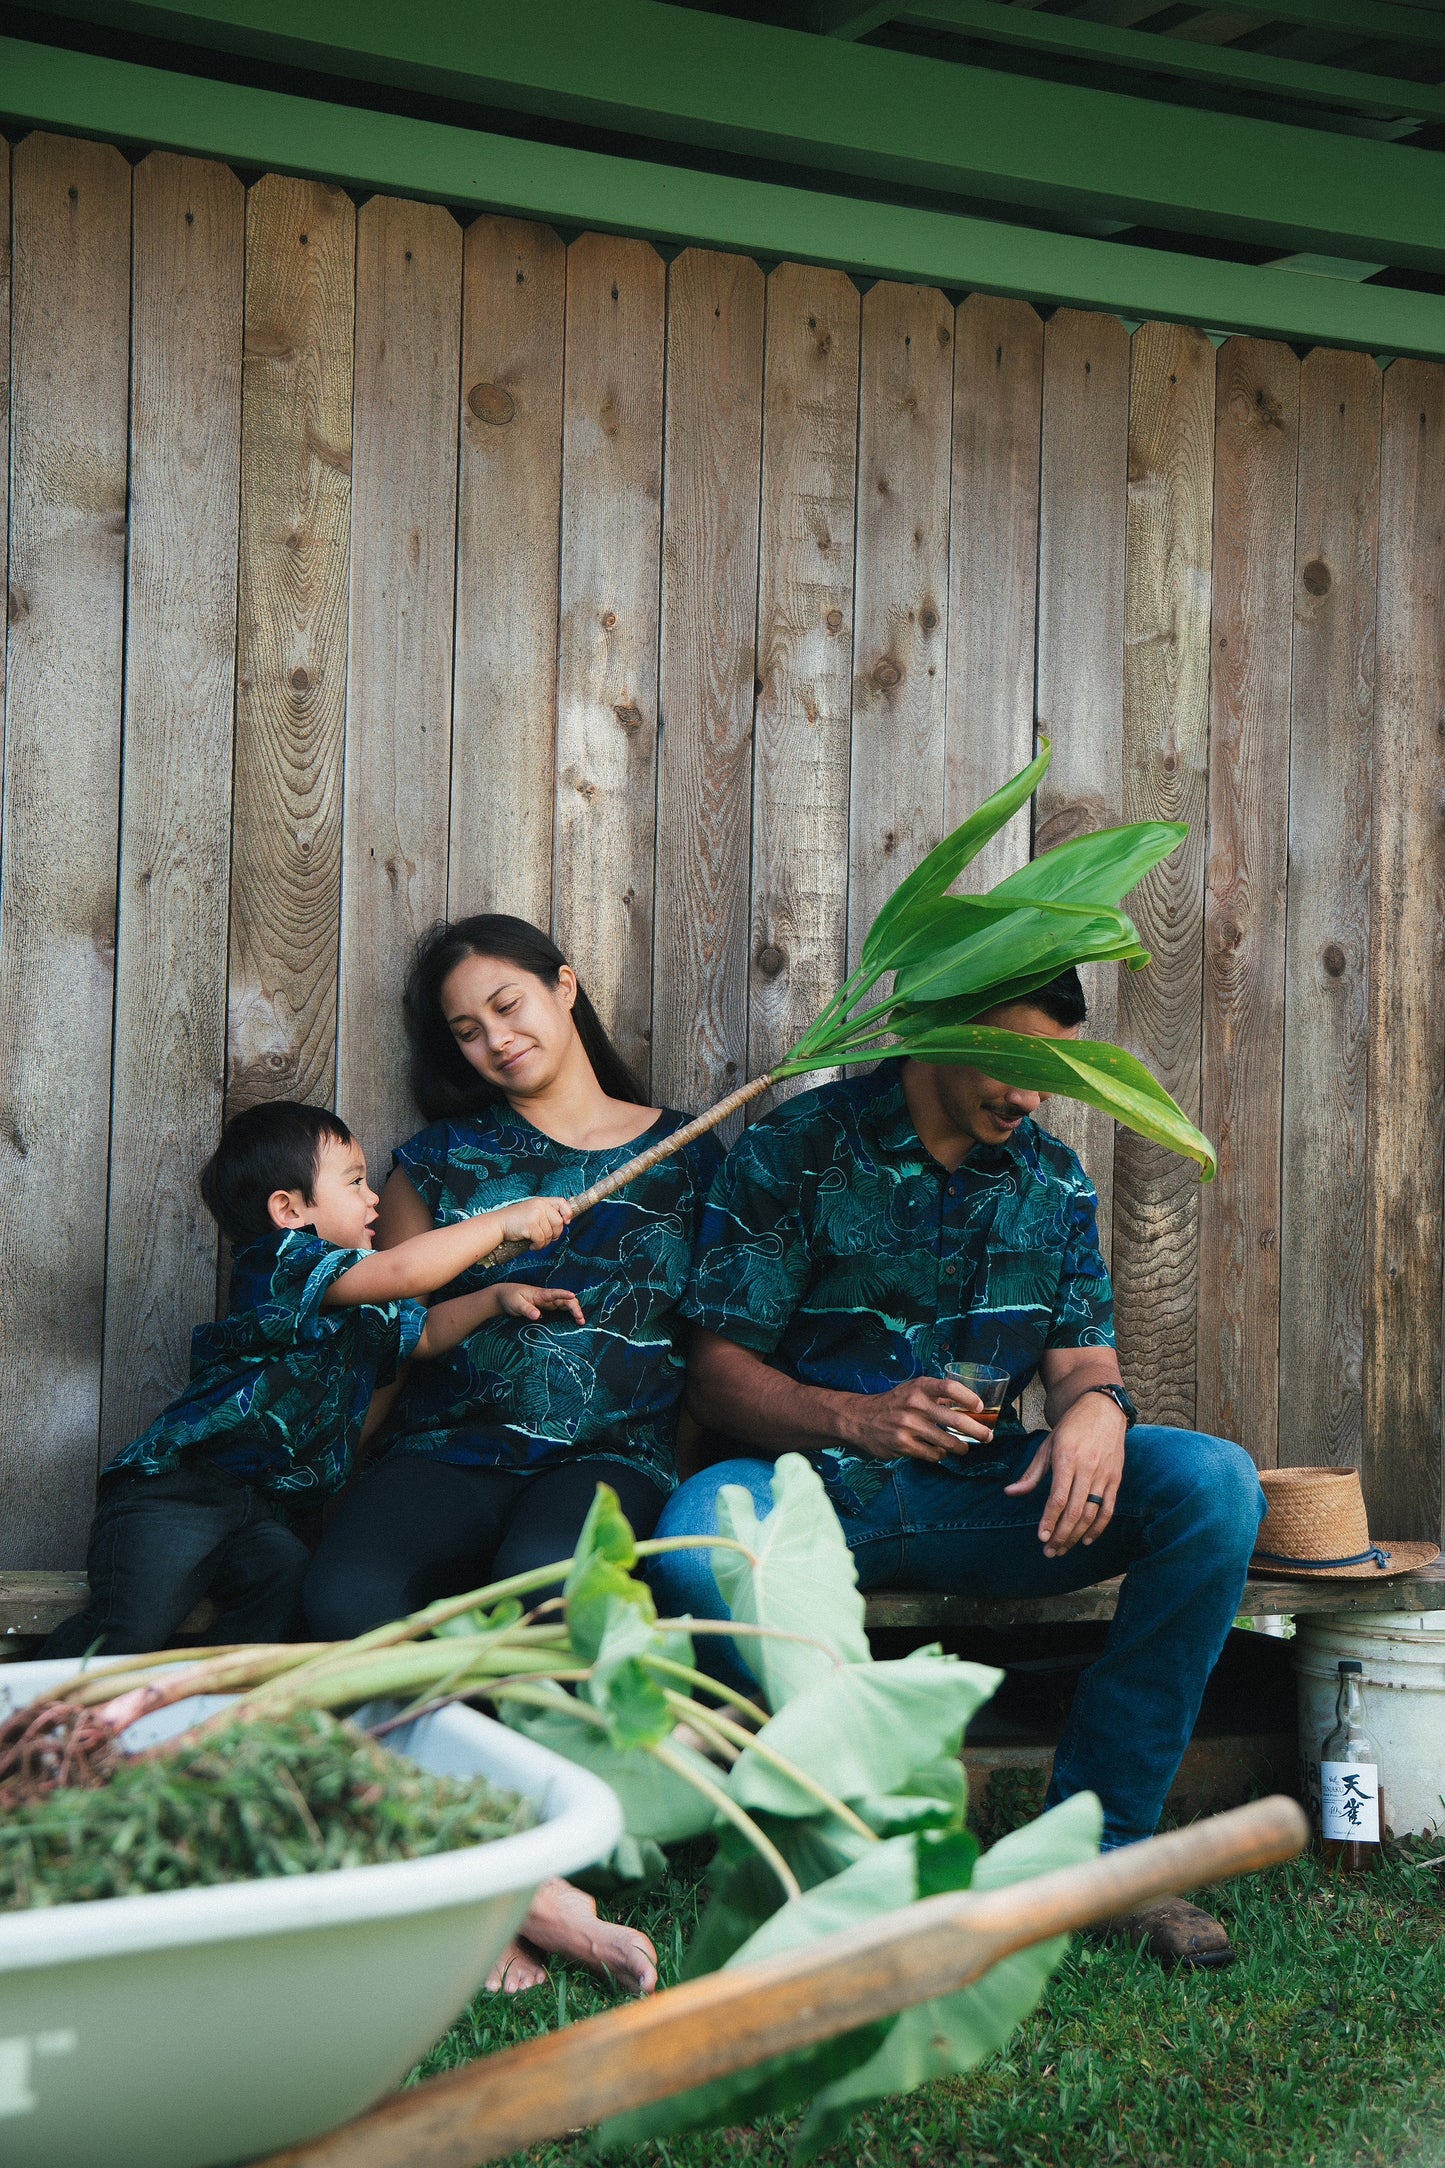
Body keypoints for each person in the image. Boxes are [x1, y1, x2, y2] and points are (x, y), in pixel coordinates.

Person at [647, 969, 1267, 1970]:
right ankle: (873, 1847)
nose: (1029, 1096)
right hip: (798, 1494)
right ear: (937, 1026)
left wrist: (1099, 1413)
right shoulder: (798, 1147)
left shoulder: (1050, 1178)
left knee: (1214, 1483)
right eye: (1014, 1062)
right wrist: (855, 1414)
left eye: (1050, 1072)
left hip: (983, 1493)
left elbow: (1080, 1362)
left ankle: (1096, 1853)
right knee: (695, 1543)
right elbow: (715, 1378)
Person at [303, 915, 723, 1994]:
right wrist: (335, 1469)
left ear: (564, 987)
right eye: (465, 1029)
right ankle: (502, 1888)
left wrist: (661, 1470)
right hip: (449, 1447)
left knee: (537, 1595)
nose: (494, 1037)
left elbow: (708, 1341)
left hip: (609, 1455)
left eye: (508, 1004)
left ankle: (507, 1873)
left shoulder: (689, 1151)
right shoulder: (439, 1164)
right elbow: (394, 1340)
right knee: (347, 1591)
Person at [43, 1100, 576, 1661]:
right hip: (180, 1492)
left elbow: (423, 1337)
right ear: (289, 1209)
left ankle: (214, 1714)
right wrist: (499, 1222)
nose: (373, 1198)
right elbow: (402, 1271)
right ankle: (32, 1711)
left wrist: (493, 1299)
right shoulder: (281, 1264)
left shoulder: (358, 1300)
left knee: (283, 1591)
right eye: (355, 1182)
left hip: (263, 1511)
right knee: (130, 1624)